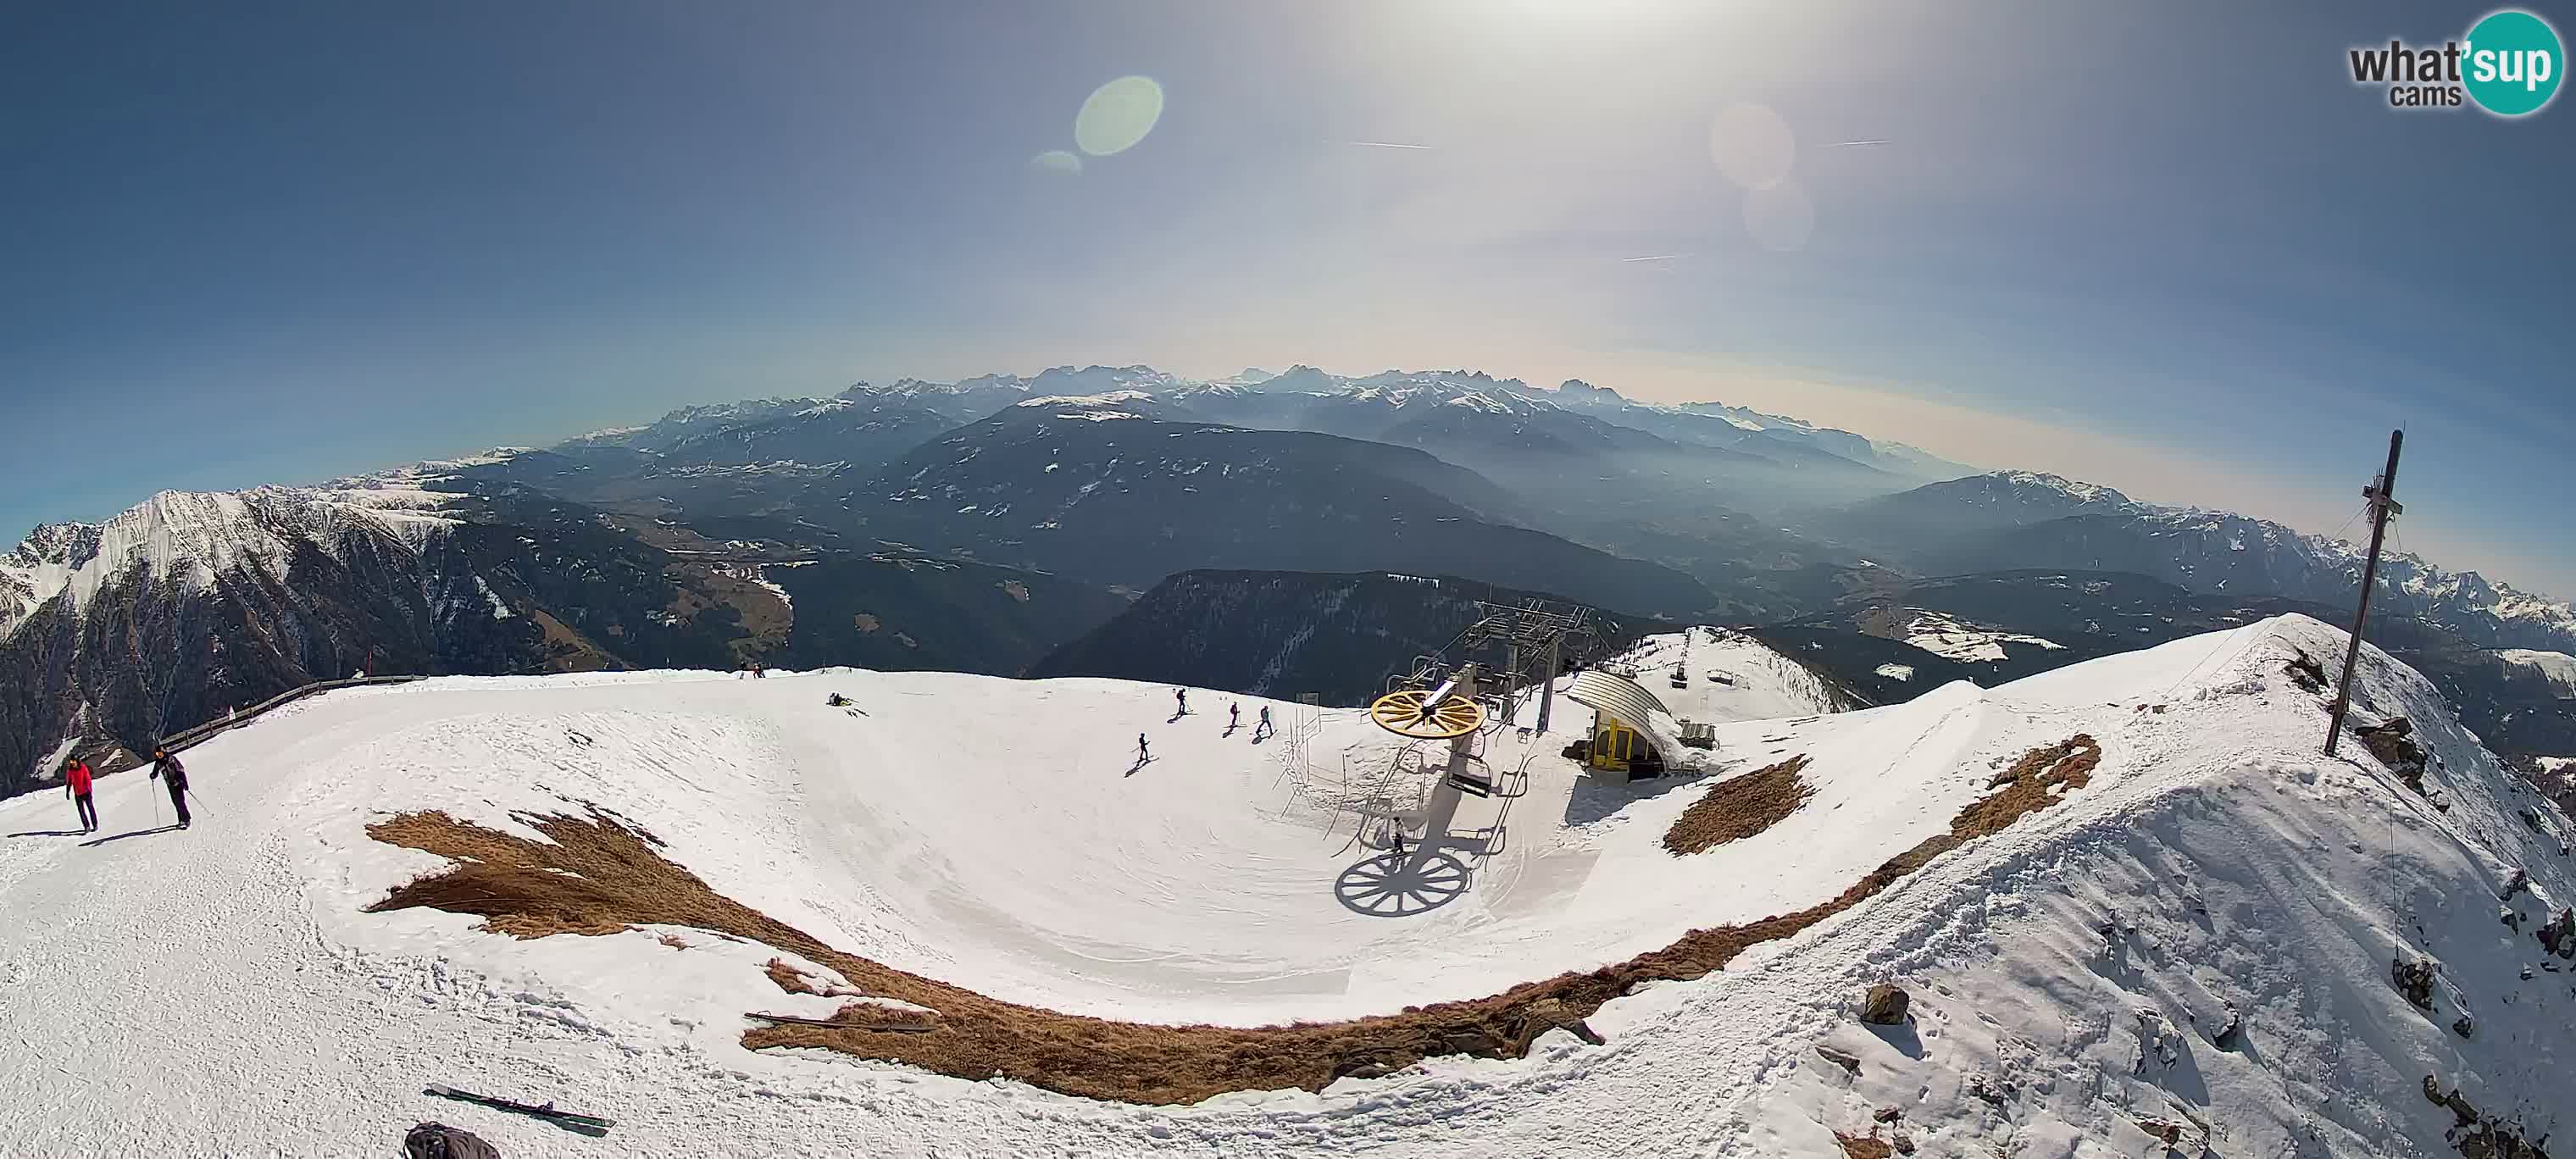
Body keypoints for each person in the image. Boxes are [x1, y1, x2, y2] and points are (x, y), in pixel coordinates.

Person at [149, 746, 192, 829]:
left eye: (160, 753)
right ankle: (181, 820)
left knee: (180, 802)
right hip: (170, 785)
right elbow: (155, 772)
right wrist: (153, 775)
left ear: (164, 752)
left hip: (178, 783)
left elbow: (180, 770)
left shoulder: (171, 759)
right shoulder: (158, 763)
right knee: (176, 803)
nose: (159, 755)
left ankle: (186, 820)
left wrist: (184, 783)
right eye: (157, 754)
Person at [64, 757, 97, 833]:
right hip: (78, 793)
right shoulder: (70, 770)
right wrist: (68, 792)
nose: (72, 764)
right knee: (81, 811)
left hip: (86, 792)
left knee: (90, 808)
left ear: (76, 761)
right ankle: (87, 827)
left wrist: (89, 790)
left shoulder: (83, 768)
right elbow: (69, 781)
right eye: (71, 762)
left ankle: (95, 825)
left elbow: (88, 779)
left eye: (73, 762)